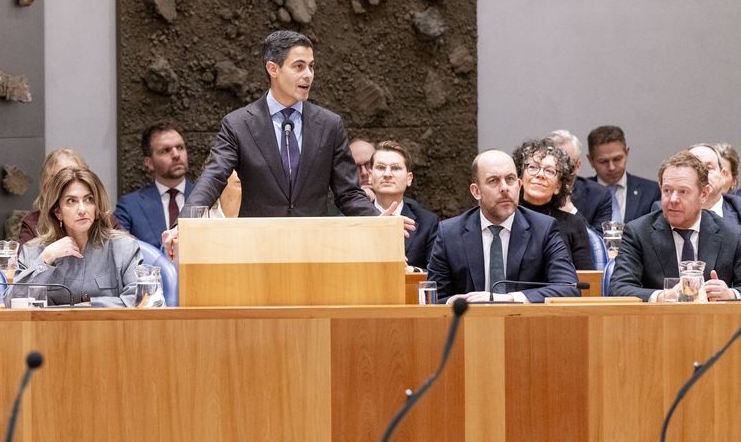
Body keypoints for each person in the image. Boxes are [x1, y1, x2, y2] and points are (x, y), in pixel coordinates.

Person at [165, 30, 412, 256]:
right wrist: (183, 226)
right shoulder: (239, 124)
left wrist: (379, 219)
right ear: (273, 69)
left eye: (312, 67)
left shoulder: (329, 124)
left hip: (315, 250)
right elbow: (213, 177)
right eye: (299, 66)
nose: (308, 75)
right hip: (257, 250)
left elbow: (347, 193)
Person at [426, 149, 579, 303]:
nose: (505, 188)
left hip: (526, 323)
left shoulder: (544, 229)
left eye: (510, 179)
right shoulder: (450, 233)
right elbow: (434, 298)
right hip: (470, 324)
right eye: (493, 181)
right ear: (476, 191)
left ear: (519, 186)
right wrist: (454, 302)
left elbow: (568, 287)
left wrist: (510, 298)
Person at [609, 151, 741, 302]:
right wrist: (663, 296)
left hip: (713, 323)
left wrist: (731, 294)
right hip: (658, 323)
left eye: (683, 191)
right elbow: (618, 287)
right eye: (667, 190)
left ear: (703, 194)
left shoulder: (732, 234)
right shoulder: (638, 233)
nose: (673, 199)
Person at [12, 166, 140, 307]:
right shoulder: (36, 251)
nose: (82, 210)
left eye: (89, 199)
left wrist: (86, 307)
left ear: (97, 207)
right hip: (52, 329)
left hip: (110, 328)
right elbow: (13, 302)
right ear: (57, 211)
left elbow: (138, 300)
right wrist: (45, 260)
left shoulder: (124, 247)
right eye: (71, 201)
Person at [512, 138, 594, 269]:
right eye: (532, 167)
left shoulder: (573, 224)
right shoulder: (507, 218)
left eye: (550, 171)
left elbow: (585, 280)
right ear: (520, 177)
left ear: (558, 186)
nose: (540, 175)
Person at [114, 122, 193, 249]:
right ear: (149, 162)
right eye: (165, 150)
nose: (176, 155)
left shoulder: (208, 199)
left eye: (180, 147)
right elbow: (119, 248)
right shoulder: (130, 206)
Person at [368, 141, 438, 269]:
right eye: (381, 167)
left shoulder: (428, 222)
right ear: (370, 176)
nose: (387, 174)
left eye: (395, 168)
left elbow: (437, 275)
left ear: (409, 178)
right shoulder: (351, 220)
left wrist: (411, 271)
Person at [651, 144, 741, 227]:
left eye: (708, 168)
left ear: (723, 175)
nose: (702, 175)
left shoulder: (738, 208)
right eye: (693, 169)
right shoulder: (665, 209)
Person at [585, 125, 659, 223]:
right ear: (591, 160)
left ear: (626, 153)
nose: (611, 167)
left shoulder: (651, 192)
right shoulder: (579, 192)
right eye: (603, 161)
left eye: (617, 159)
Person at [19, 148, 89, 243]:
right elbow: (24, 257)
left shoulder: (103, 219)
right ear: (47, 186)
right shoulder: (33, 223)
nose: (73, 181)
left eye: (78, 176)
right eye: (63, 177)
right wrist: (48, 254)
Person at [548, 129, 613, 232]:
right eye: (551, 168)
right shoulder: (533, 190)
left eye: (566, 165)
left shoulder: (598, 195)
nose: (560, 172)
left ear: (577, 166)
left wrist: (571, 210)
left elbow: (599, 243)